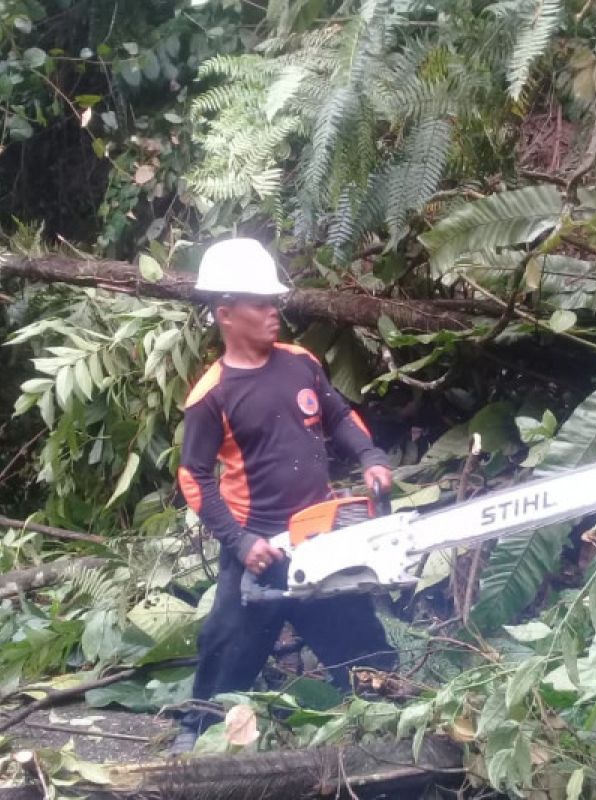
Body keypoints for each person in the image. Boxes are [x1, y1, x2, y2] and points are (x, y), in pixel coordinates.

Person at [171, 237, 398, 754]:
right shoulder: (212, 395)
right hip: (259, 551)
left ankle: (385, 717)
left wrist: (370, 457)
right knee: (226, 650)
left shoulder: (301, 363)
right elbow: (194, 478)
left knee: (362, 649)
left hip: (320, 538)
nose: (275, 312)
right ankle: (197, 734)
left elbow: (339, 416)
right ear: (226, 314)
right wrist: (240, 540)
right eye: (261, 304)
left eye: (275, 302)